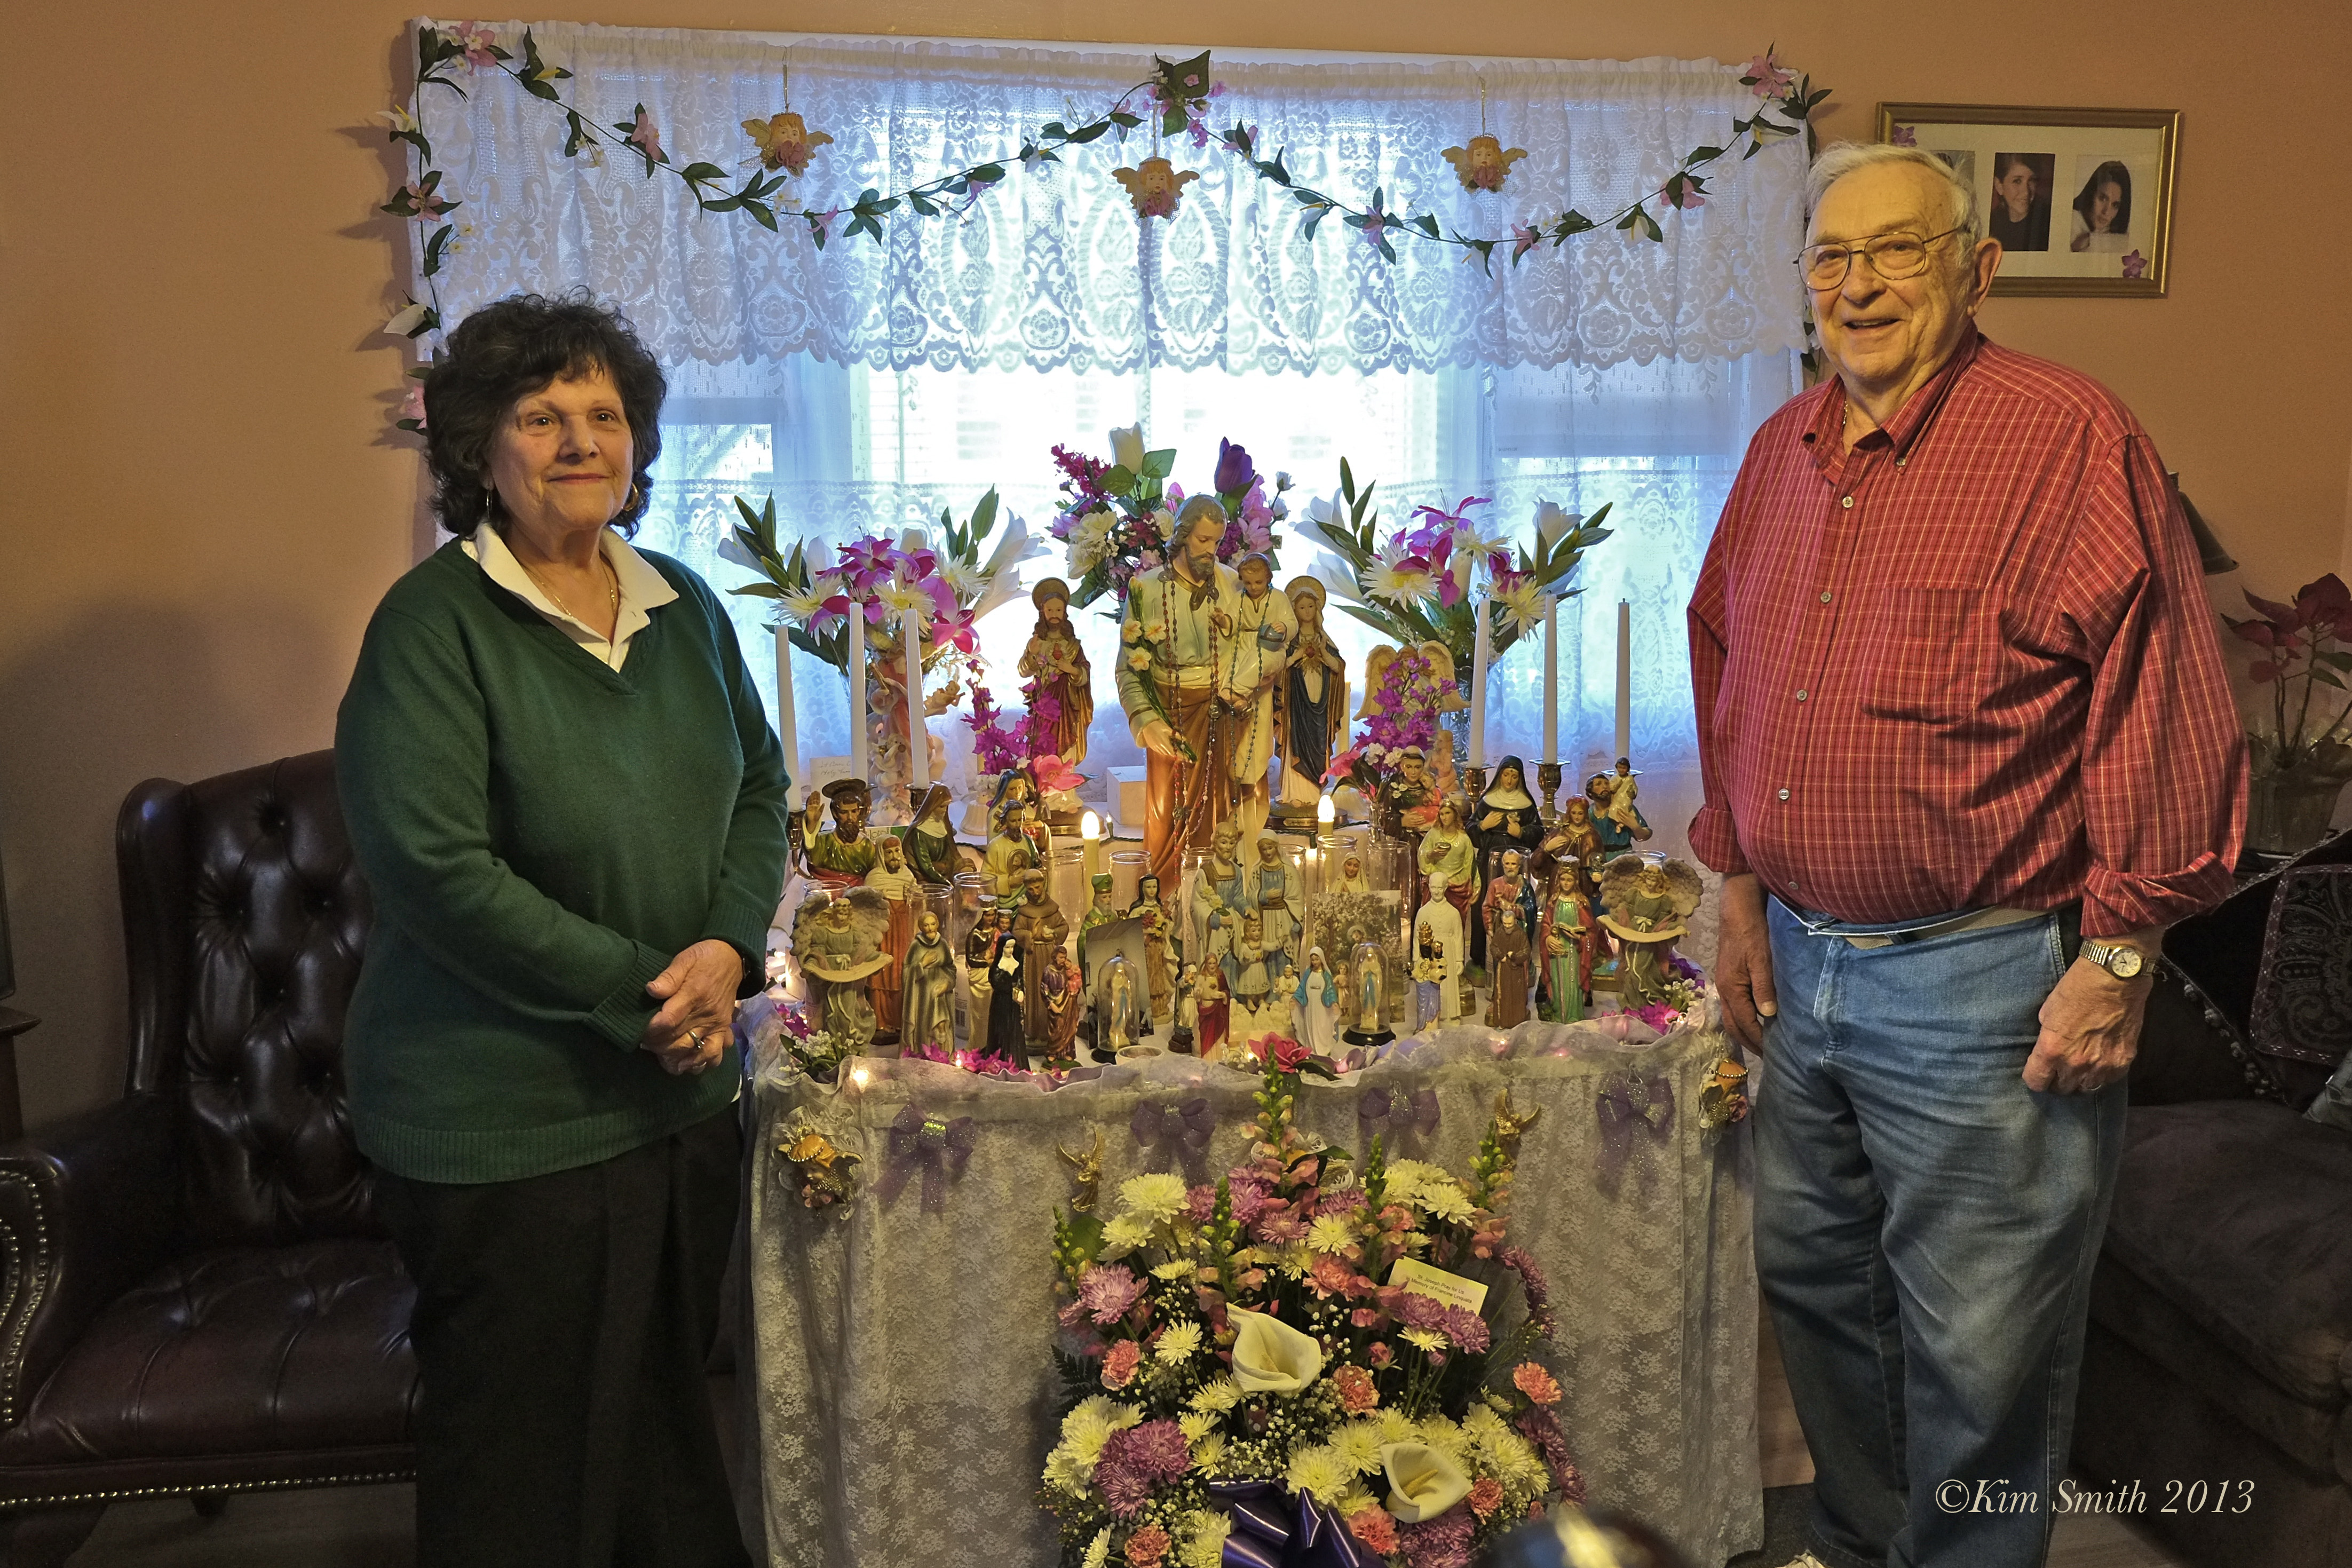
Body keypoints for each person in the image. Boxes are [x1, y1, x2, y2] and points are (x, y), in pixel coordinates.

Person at [1692, 143, 2244, 1568]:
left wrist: (2116, 959)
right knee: (1818, 1294)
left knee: (1979, 1346)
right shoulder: (1781, 448)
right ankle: (1863, 1543)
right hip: (1798, 962)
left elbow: (2162, 705)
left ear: (1975, 267)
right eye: (1830, 256)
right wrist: (1738, 891)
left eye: (1897, 250)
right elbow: (1726, 670)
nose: (1857, 284)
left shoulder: (2065, 436)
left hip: (1981, 981)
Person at [336, 292, 785, 1568]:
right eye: (541, 416)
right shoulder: (431, 626)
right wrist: (651, 995)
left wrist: (727, 951)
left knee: (666, 1443)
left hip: (678, 1102)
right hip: (505, 1123)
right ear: (481, 448)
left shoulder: (683, 602)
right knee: (522, 1476)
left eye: (604, 413)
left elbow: (759, 787)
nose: (581, 439)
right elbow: (434, 869)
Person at [1118, 496, 1242, 885]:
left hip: (1220, 714)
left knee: (1216, 809)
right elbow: (1128, 667)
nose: (1210, 551)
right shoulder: (1145, 589)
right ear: (1183, 536)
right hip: (1169, 714)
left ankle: (1214, 890)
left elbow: (1252, 648)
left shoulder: (1233, 583)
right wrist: (1146, 721)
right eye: (1203, 540)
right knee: (1167, 812)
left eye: (1217, 542)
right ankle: (1166, 893)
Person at [1278, 575, 1347, 811]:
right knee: (1296, 738)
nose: (1307, 611)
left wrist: (1323, 653)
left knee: (1318, 740)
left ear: (1317, 608)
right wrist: (1297, 655)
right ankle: (1295, 793)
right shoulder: (1290, 640)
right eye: (1302, 607)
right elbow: (1279, 668)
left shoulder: (1324, 639)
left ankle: (1315, 792)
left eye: (1311, 606)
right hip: (1297, 699)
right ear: (1294, 610)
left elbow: (1338, 667)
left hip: (1320, 698)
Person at [1019, 576, 1095, 769]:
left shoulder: (1073, 645)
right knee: (1043, 747)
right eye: (1050, 610)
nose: (1055, 615)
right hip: (1044, 705)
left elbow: (1085, 672)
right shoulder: (1037, 643)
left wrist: (1072, 670)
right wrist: (1031, 655)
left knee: (1066, 749)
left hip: (1067, 704)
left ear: (1065, 612)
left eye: (1059, 610)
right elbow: (1023, 671)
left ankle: (1065, 783)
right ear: (1042, 612)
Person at [862, 835, 920, 1036]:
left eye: (897, 851)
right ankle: (880, 1021)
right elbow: (867, 907)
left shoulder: (908, 876)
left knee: (901, 973)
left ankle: (900, 1021)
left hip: (904, 931)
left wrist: (913, 895)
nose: (895, 856)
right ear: (881, 855)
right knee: (881, 974)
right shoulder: (875, 878)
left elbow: (918, 904)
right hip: (883, 933)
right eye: (889, 853)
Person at [900, 909, 956, 1054]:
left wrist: (947, 984)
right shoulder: (916, 945)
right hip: (922, 997)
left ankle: (942, 1054)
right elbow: (906, 971)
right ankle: (923, 1053)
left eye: (933, 924)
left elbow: (951, 968)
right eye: (926, 925)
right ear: (921, 927)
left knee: (941, 1024)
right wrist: (922, 964)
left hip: (940, 994)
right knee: (924, 1025)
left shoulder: (943, 944)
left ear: (937, 924)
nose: (930, 928)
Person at [1130, 872, 1177, 1020]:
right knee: (1147, 977)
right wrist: (1148, 931)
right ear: (1142, 889)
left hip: (1159, 949)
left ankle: (1161, 1007)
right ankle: (1148, 1007)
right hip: (1145, 950)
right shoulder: (1137, 910)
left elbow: (1170, 926)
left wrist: (1164, 926)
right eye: (1148, 887)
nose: (1152, 890)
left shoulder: (1159, 908)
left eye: (1154, 887)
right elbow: (1131, 928)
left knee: (1161, 977)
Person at [898, 782, 960, 886]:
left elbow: (951, 854)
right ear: (933, 806)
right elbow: (925, 866)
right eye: (941, 807)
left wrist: (953, 866)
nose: (945, 811)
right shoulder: (919, 831)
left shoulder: (943, 826)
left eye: (947, 806)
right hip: (927, 877)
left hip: (945, 871)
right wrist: (946, 882)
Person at [1987, 151, 2050, 252]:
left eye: (2032, 180)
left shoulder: (2046, 223)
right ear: (1999, 185)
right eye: (2017, 181)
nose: (2026, 192)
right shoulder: (1991, 224)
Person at [2068, 160, 2133, 254]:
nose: (2106, 212)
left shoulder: (2112, 234)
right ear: (2091, 194)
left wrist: (2091, 240)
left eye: (2115, 205)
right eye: (2103, 199)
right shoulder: (2071, 221)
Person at [1293, 946, 1339, 1056]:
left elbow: (1330, 990)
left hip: (1322, 1006)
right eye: (1313, 960)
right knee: (1311, 1025)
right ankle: (1311, 1047)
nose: (1314, 962)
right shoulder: (1308, 973)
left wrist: (1334, 1002)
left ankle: (1323, 1048)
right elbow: (1302, 987)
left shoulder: (1326, 975)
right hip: (1310, 1005)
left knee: (1322, 1026)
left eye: (1317, 959)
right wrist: (1295, 998)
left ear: (1321, 959)